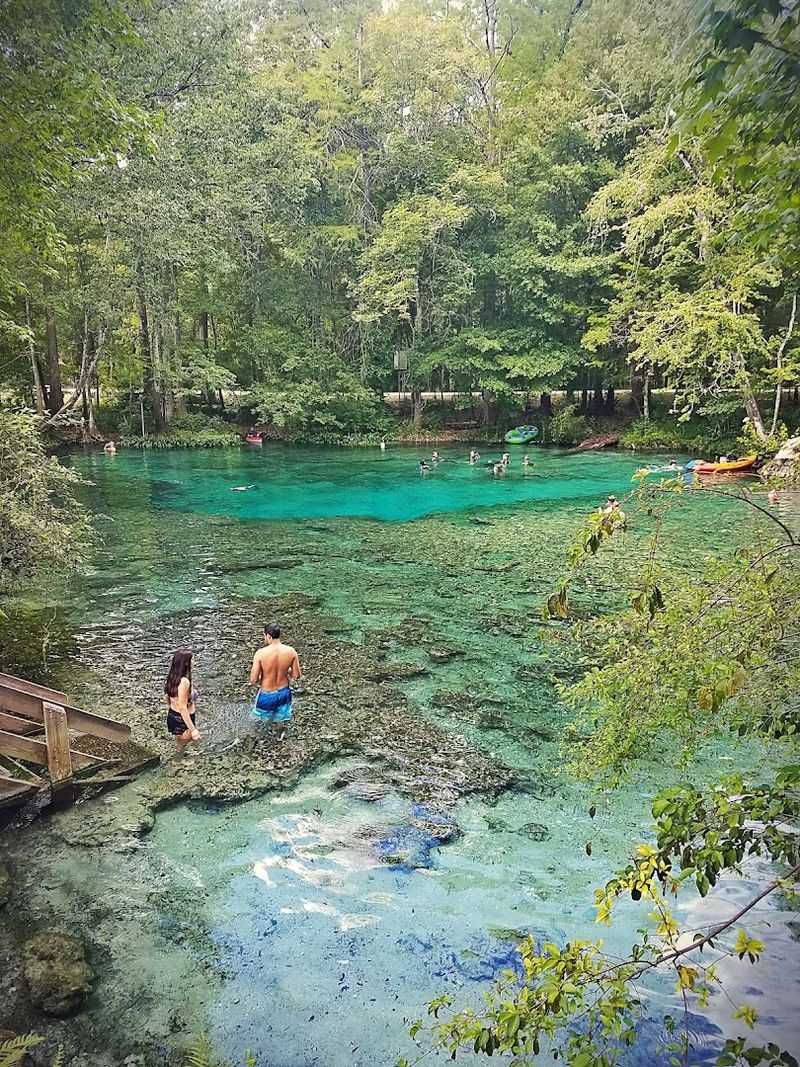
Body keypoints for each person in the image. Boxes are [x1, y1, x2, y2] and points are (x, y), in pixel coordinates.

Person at [250, 624, 301, 742]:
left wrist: (265, 673)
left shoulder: (261, 653)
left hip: (267, 694)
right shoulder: (291, 651)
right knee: (280, 720)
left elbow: (253, 680)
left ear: (268, 636)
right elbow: (296, 675)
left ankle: (261, 742)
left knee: (259, 722)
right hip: (284, 693)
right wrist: (285, 670)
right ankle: (279, 740)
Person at [164, 649, 201, 751]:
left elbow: (167, 697)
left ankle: (178, 763)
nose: (193, 662)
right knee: (181, 747)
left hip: (174, 716)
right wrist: (193, 730)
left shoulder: (173, 677)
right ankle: (177, 764)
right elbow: (182, 707)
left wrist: (172, 710)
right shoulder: (184, 681)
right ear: (186, 663)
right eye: (192, 660)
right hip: (182, 720)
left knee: (181, 745)